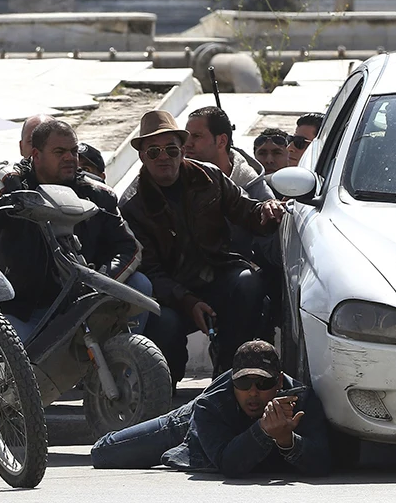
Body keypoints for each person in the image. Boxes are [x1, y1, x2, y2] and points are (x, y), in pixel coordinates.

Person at [121, 110, 284, 381]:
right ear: (142, 156)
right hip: (170, 293)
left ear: (182, 151)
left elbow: (247, 211)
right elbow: (149, 271)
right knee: (165, 325)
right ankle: (165, 390)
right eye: (154, 152)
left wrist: (267, 210)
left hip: (217, 274)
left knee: (248, 283)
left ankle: (230, 373)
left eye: (171, 150)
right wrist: (188, 301)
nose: (164, 157)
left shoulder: (210, 177)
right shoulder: (132, 205)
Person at [0, 120, 149, 341]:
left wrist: (102, 281)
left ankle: (124, 366)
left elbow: (129, 247)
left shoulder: (98, 194)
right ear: (36, 155)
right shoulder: (12, 190)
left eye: (73, 151)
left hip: (85, 301)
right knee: (16, 357)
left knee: (140, 285)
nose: (69, 157)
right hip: (26, 309)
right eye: (59, 151)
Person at [91, 340, 331, 477]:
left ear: (279, 382)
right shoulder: (212, 405)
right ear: (233, 381)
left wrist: (288, 440)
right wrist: (264, 431)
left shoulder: (303, 401)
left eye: (264, 383)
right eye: (244, 384)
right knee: (104, 453)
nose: (253, 393)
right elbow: (229, 465)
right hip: (191, 425)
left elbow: (324, 462)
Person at [184, 106, 272, 201]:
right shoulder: (178, 180)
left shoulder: (255, 191)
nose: (187, 144)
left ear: (222, 141)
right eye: (187, 136)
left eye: (196, 136)